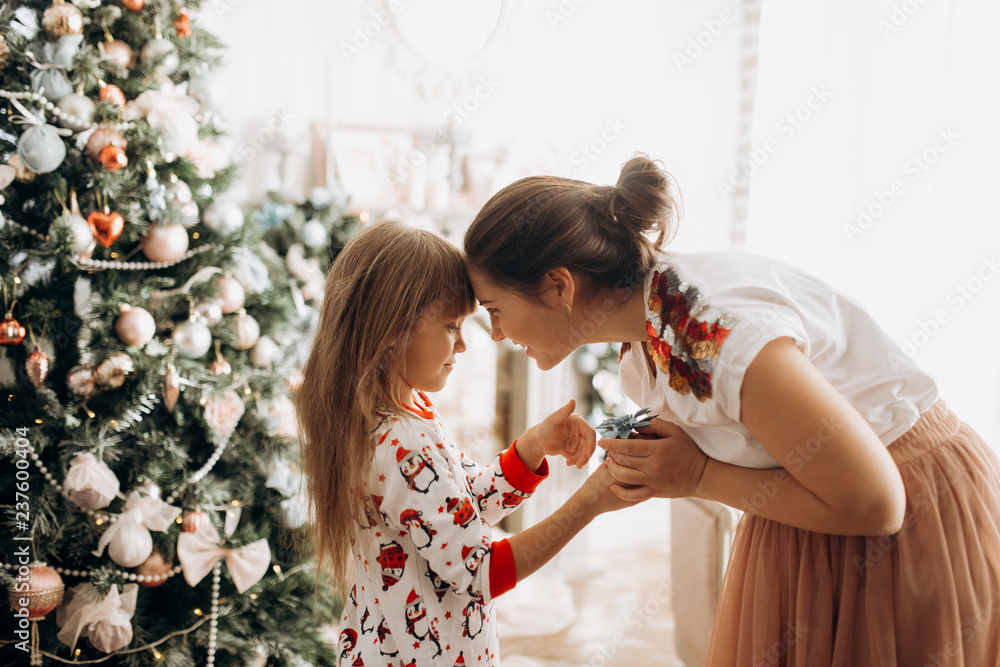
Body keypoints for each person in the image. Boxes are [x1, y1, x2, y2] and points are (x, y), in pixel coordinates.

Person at [463, 155, 1000, 666]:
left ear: (559, 286)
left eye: (494, 309)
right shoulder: (646, 334)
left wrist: (696, 475)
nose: (497, 333)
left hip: (902, 521)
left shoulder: (721, 336)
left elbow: (877, 503)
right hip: (809, 514)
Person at [296, 220, 629, 667]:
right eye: (452, 327)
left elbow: (456, 508)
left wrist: (531, 446)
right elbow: (478, 571)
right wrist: (590, 501)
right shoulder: (402, 442)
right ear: (394, 330)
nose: (463, 345)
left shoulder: (399, 415)